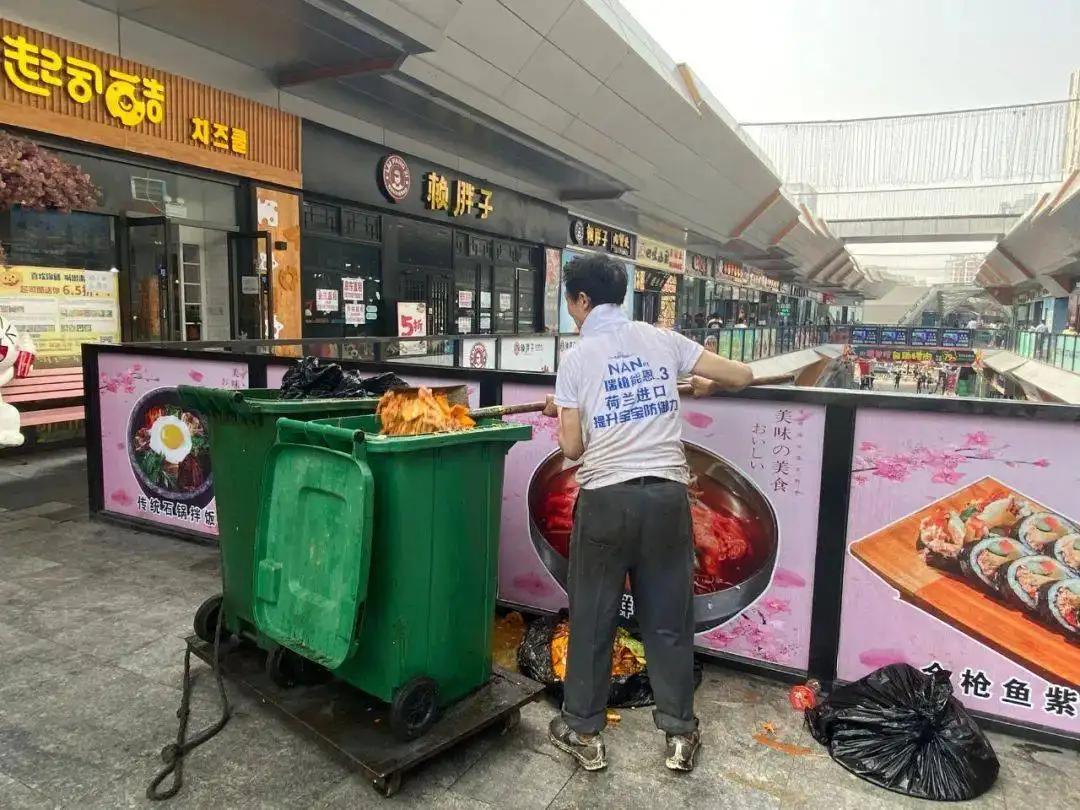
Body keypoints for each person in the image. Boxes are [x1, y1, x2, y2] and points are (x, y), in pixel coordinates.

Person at [542, 254, 753, 774]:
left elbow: (571, 450)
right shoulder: (663, 340)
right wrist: (708, 382)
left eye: (571, 302)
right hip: (665, 500)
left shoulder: (576, 359)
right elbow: (742, 374)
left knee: (594, 619)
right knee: (668, 621)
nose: (572, 313)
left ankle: (584, 733)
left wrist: (564, 411)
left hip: (606, 504)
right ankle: (680, 734)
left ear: (584, 301)